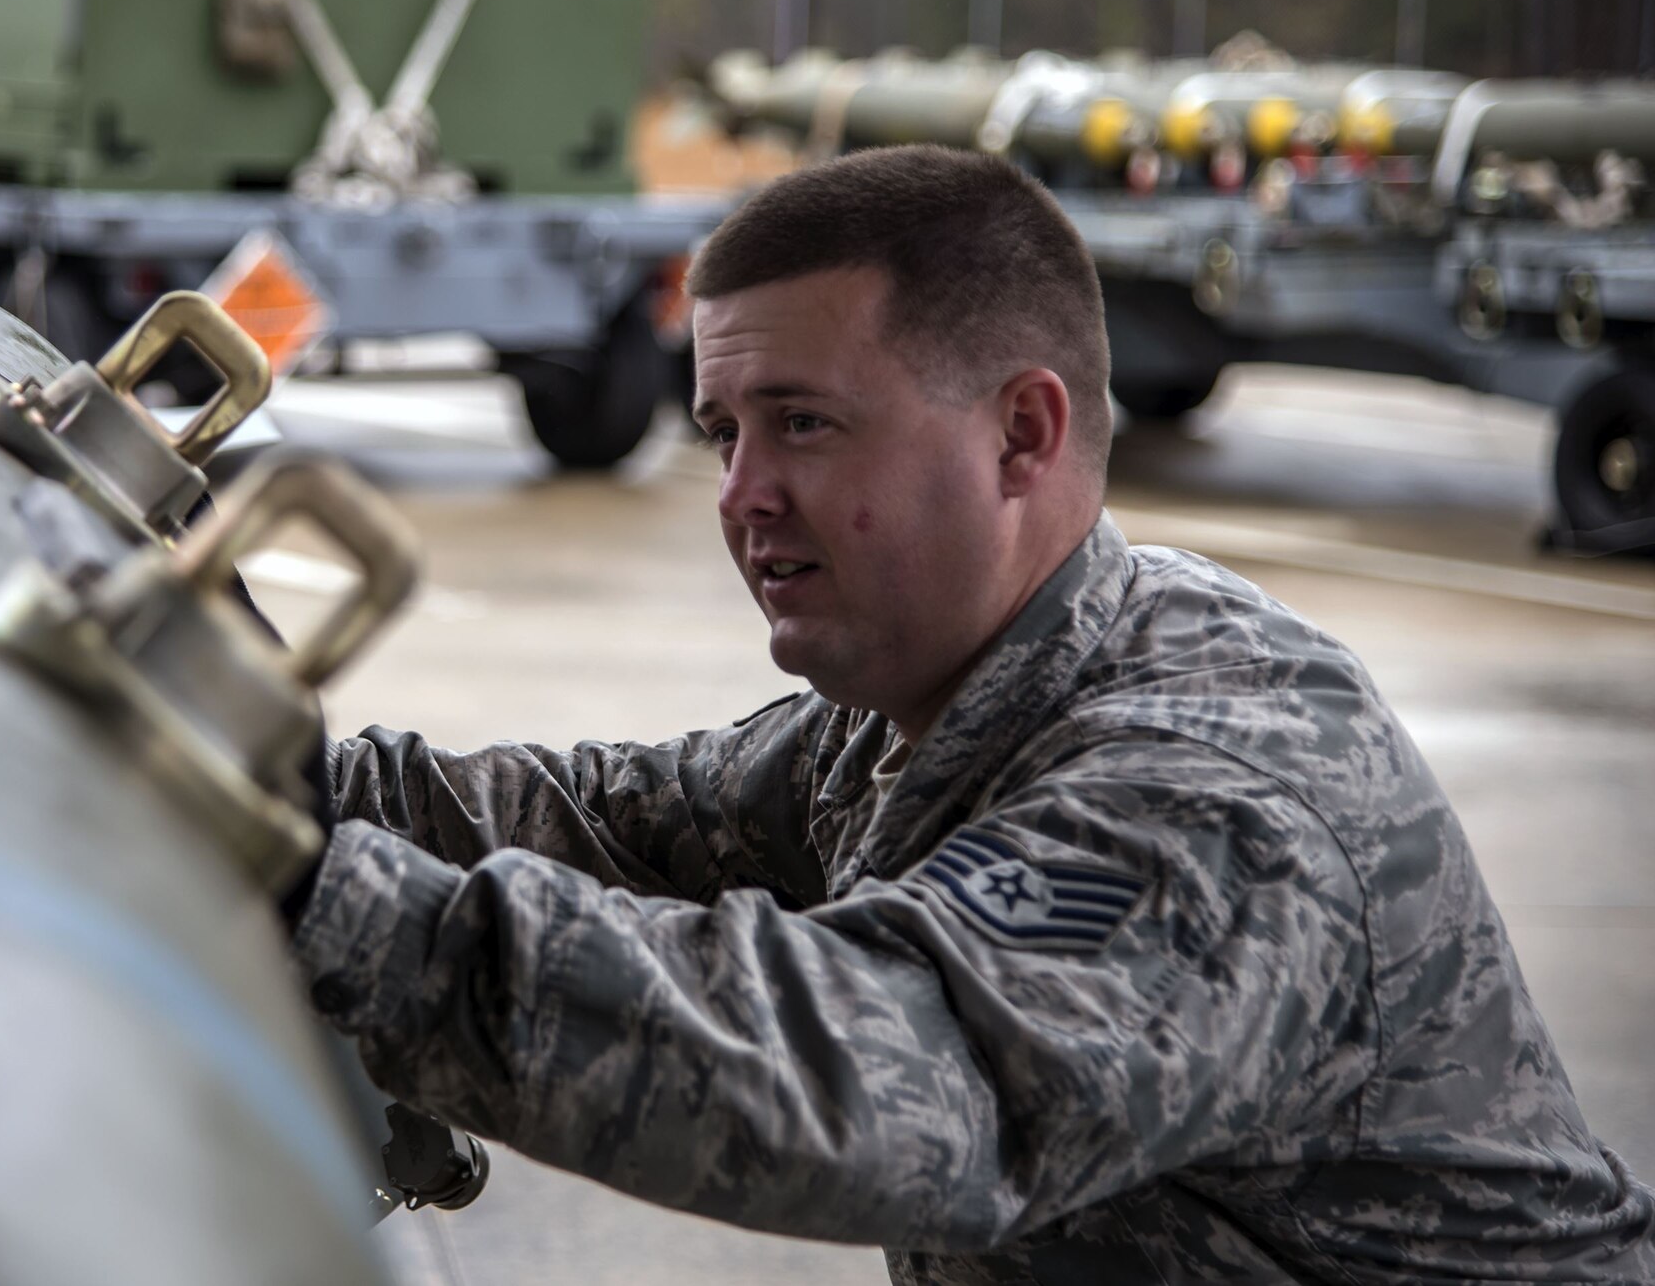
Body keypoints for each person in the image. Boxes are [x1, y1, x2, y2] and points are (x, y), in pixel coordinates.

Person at [288, 145, 1655, 1283]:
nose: (742, 493)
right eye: (723, 434)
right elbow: (625, 819)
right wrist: (270, 783)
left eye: (805, 424)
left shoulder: (1217, 783)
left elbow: (863, 1075)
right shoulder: (934, 701)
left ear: (1023, 434)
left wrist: (334, 908)